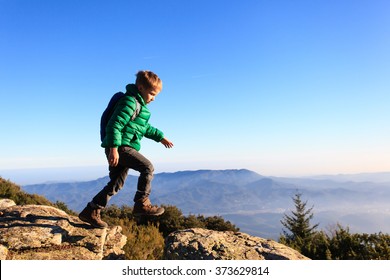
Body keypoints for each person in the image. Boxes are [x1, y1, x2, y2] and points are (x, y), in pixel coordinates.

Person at [79, 70, 174, 228]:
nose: (153, 98)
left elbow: (145, 128)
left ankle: (91, 210)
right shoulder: (130, 102)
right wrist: (114, 148)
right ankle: (142, 202)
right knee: (147, 167)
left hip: (119, 147)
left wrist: (160, 137)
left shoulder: (139, 107)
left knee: (116, 184)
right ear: (140, 88)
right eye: (152, 94)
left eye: (156, 95)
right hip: (120, 147)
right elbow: (114, 124)